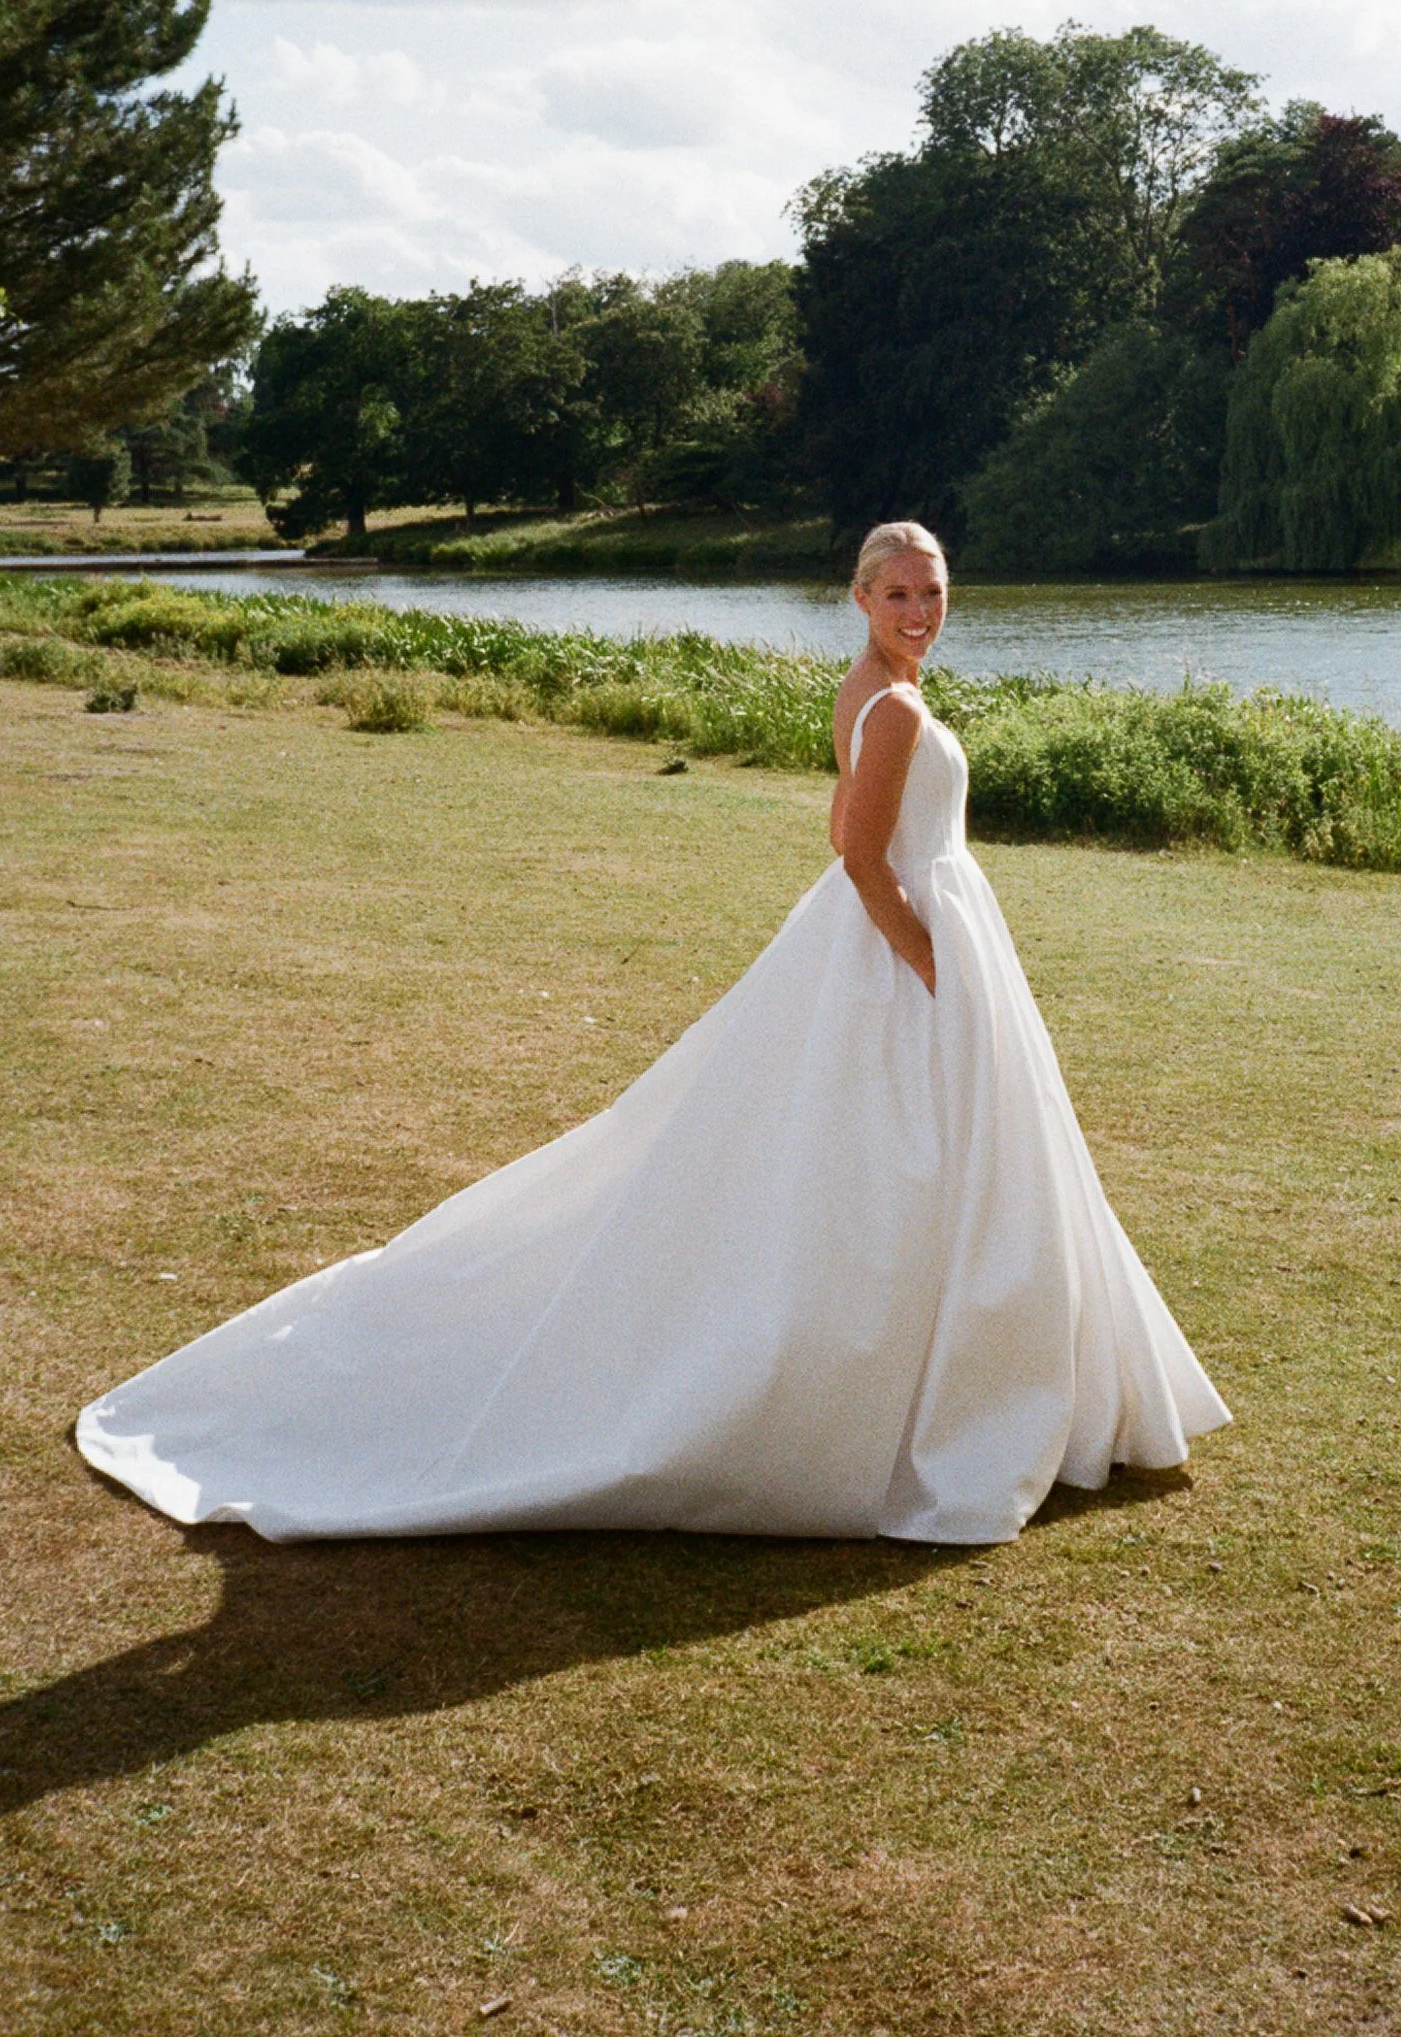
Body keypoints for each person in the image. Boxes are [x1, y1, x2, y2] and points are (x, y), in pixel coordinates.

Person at [77, 522, 1228, 1546]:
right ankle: (919, 1395)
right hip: (904, 943)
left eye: (933, 593)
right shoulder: (896, 707)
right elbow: (859, 854)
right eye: (898, 597)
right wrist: (937, 974)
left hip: (902, 933)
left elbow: (839, 820)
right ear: (860, 599)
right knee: (906, 1168)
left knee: (903, 1166)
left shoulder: (865, 690)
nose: (920, 613)